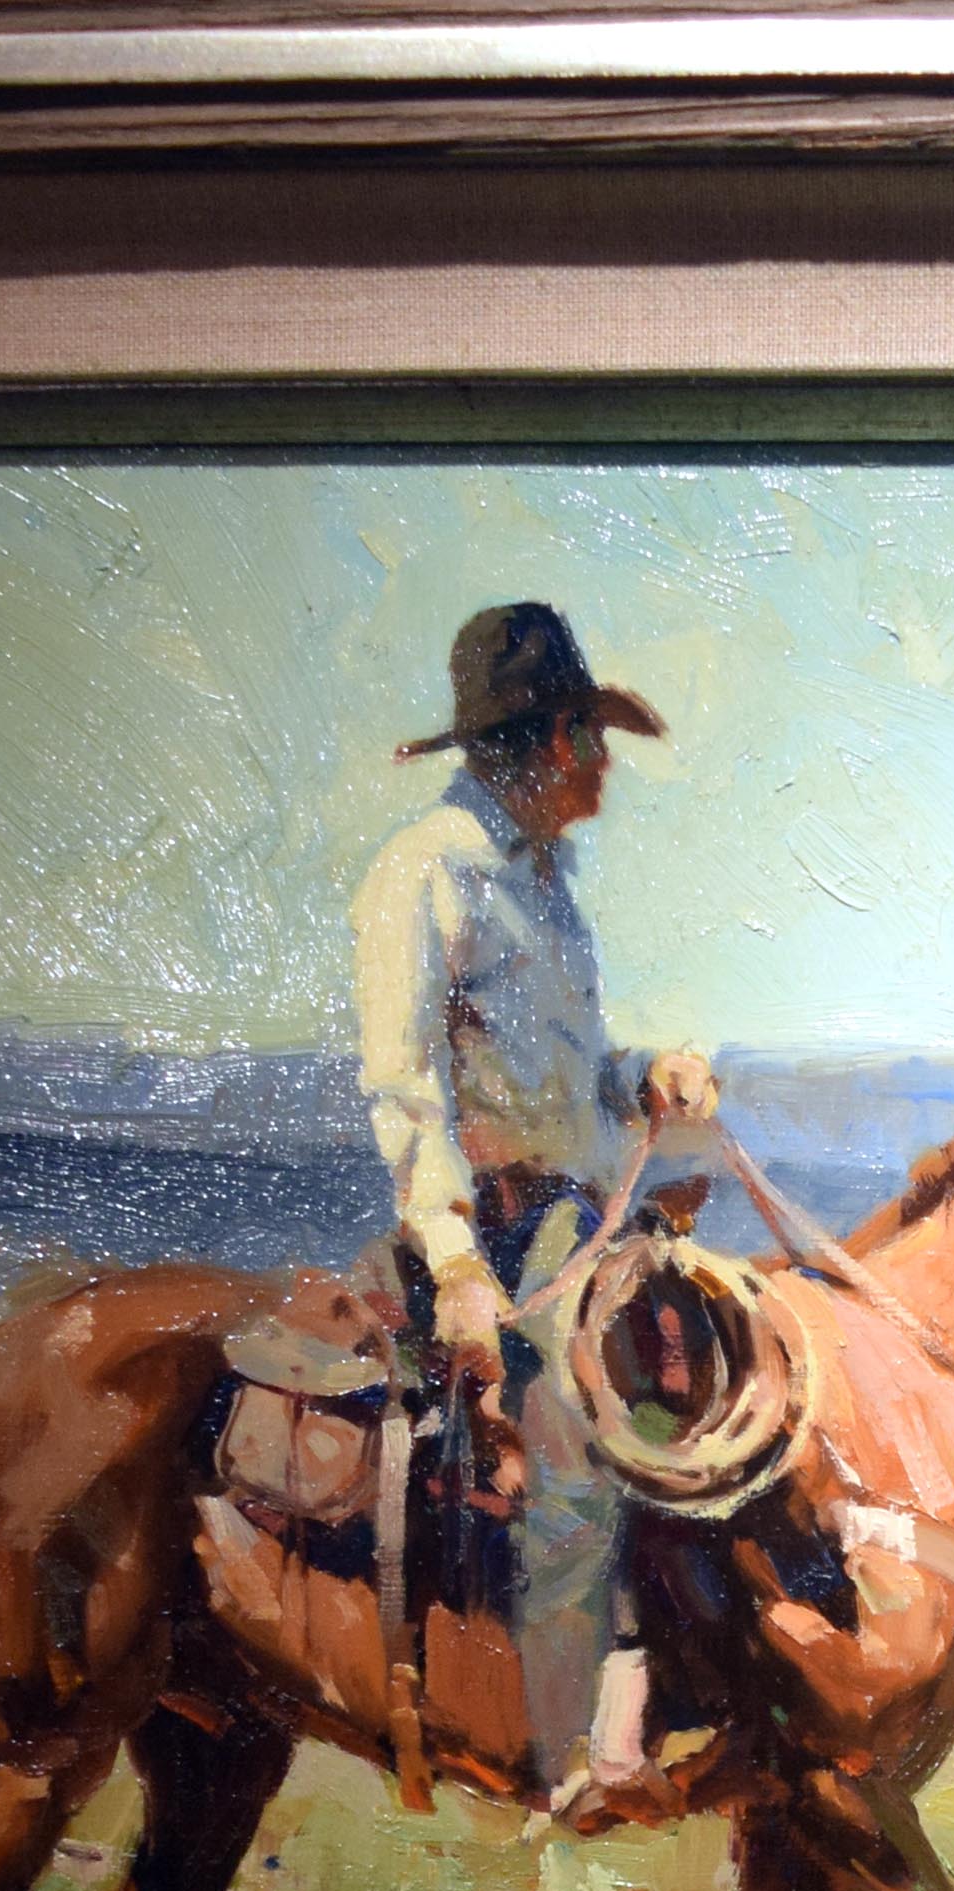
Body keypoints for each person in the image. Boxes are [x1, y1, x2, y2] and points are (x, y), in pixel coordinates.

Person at [350, 598, 718, 1814]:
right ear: (555, 740)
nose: (604, 763)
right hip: (498, 1234)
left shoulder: (548, 883)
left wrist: (643, 1074)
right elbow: (408, 1094)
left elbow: (565, 1079)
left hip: (573, 1214)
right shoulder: (426, 870)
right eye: (594, 738)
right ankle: (571, 1762)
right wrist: (457, 1263)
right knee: (577, 1425)